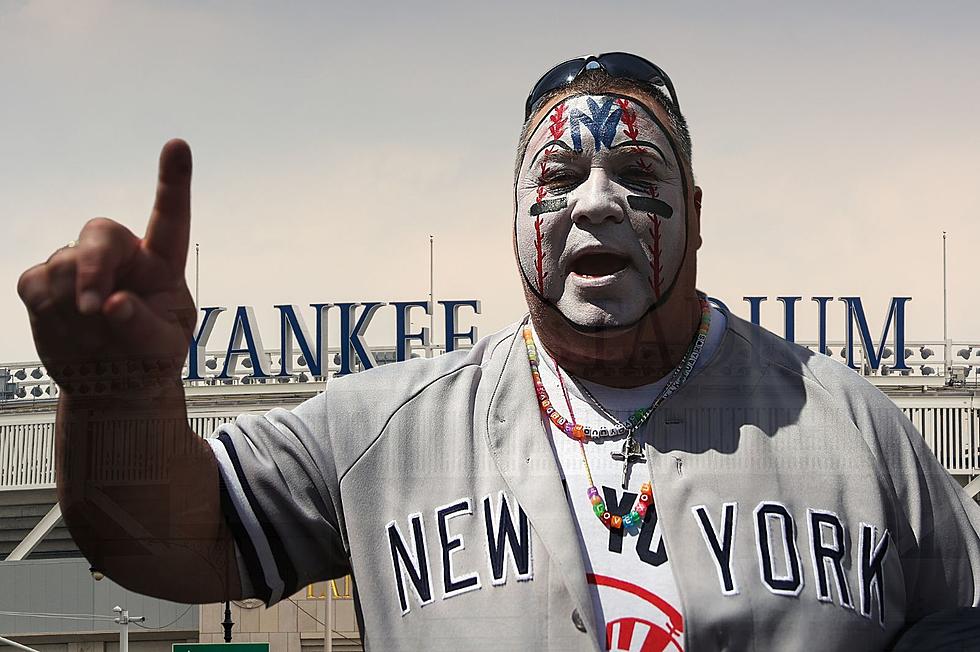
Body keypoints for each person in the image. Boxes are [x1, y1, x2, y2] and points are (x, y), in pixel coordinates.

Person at [17, 52, 980, 651]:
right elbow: (164, 542)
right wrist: (119, 393)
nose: (595, 202)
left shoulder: (856, 428)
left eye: (636, 173)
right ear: (515, 222)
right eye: (559, 176)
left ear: (696, 213)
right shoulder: (379, 433)